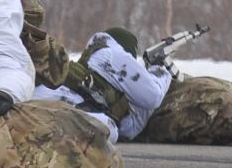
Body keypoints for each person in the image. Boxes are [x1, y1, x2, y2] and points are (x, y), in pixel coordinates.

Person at [35, 27, 171, 144]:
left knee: (111, 130)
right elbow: (153, 96)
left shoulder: (101, 74)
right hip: (56, 104)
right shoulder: (110, 54)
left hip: (49, 105)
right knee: (107, 130)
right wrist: (161, 70)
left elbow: (130, 129)